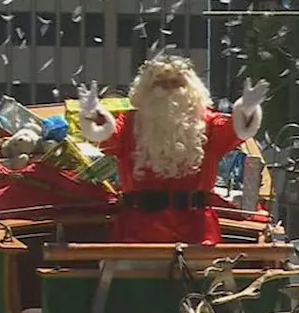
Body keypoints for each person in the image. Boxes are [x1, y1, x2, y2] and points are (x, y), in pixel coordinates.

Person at [78, 55, 269, 246]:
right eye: (160, 83)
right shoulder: (130, 124)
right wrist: (93, 116)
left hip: (197, 230)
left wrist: (246, 110)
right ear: (146, 89)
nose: (168, 89)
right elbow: (105, 136)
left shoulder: (208, 123)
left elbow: (234, 131)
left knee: (206, 273)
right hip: (139, 230)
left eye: (176, 83)